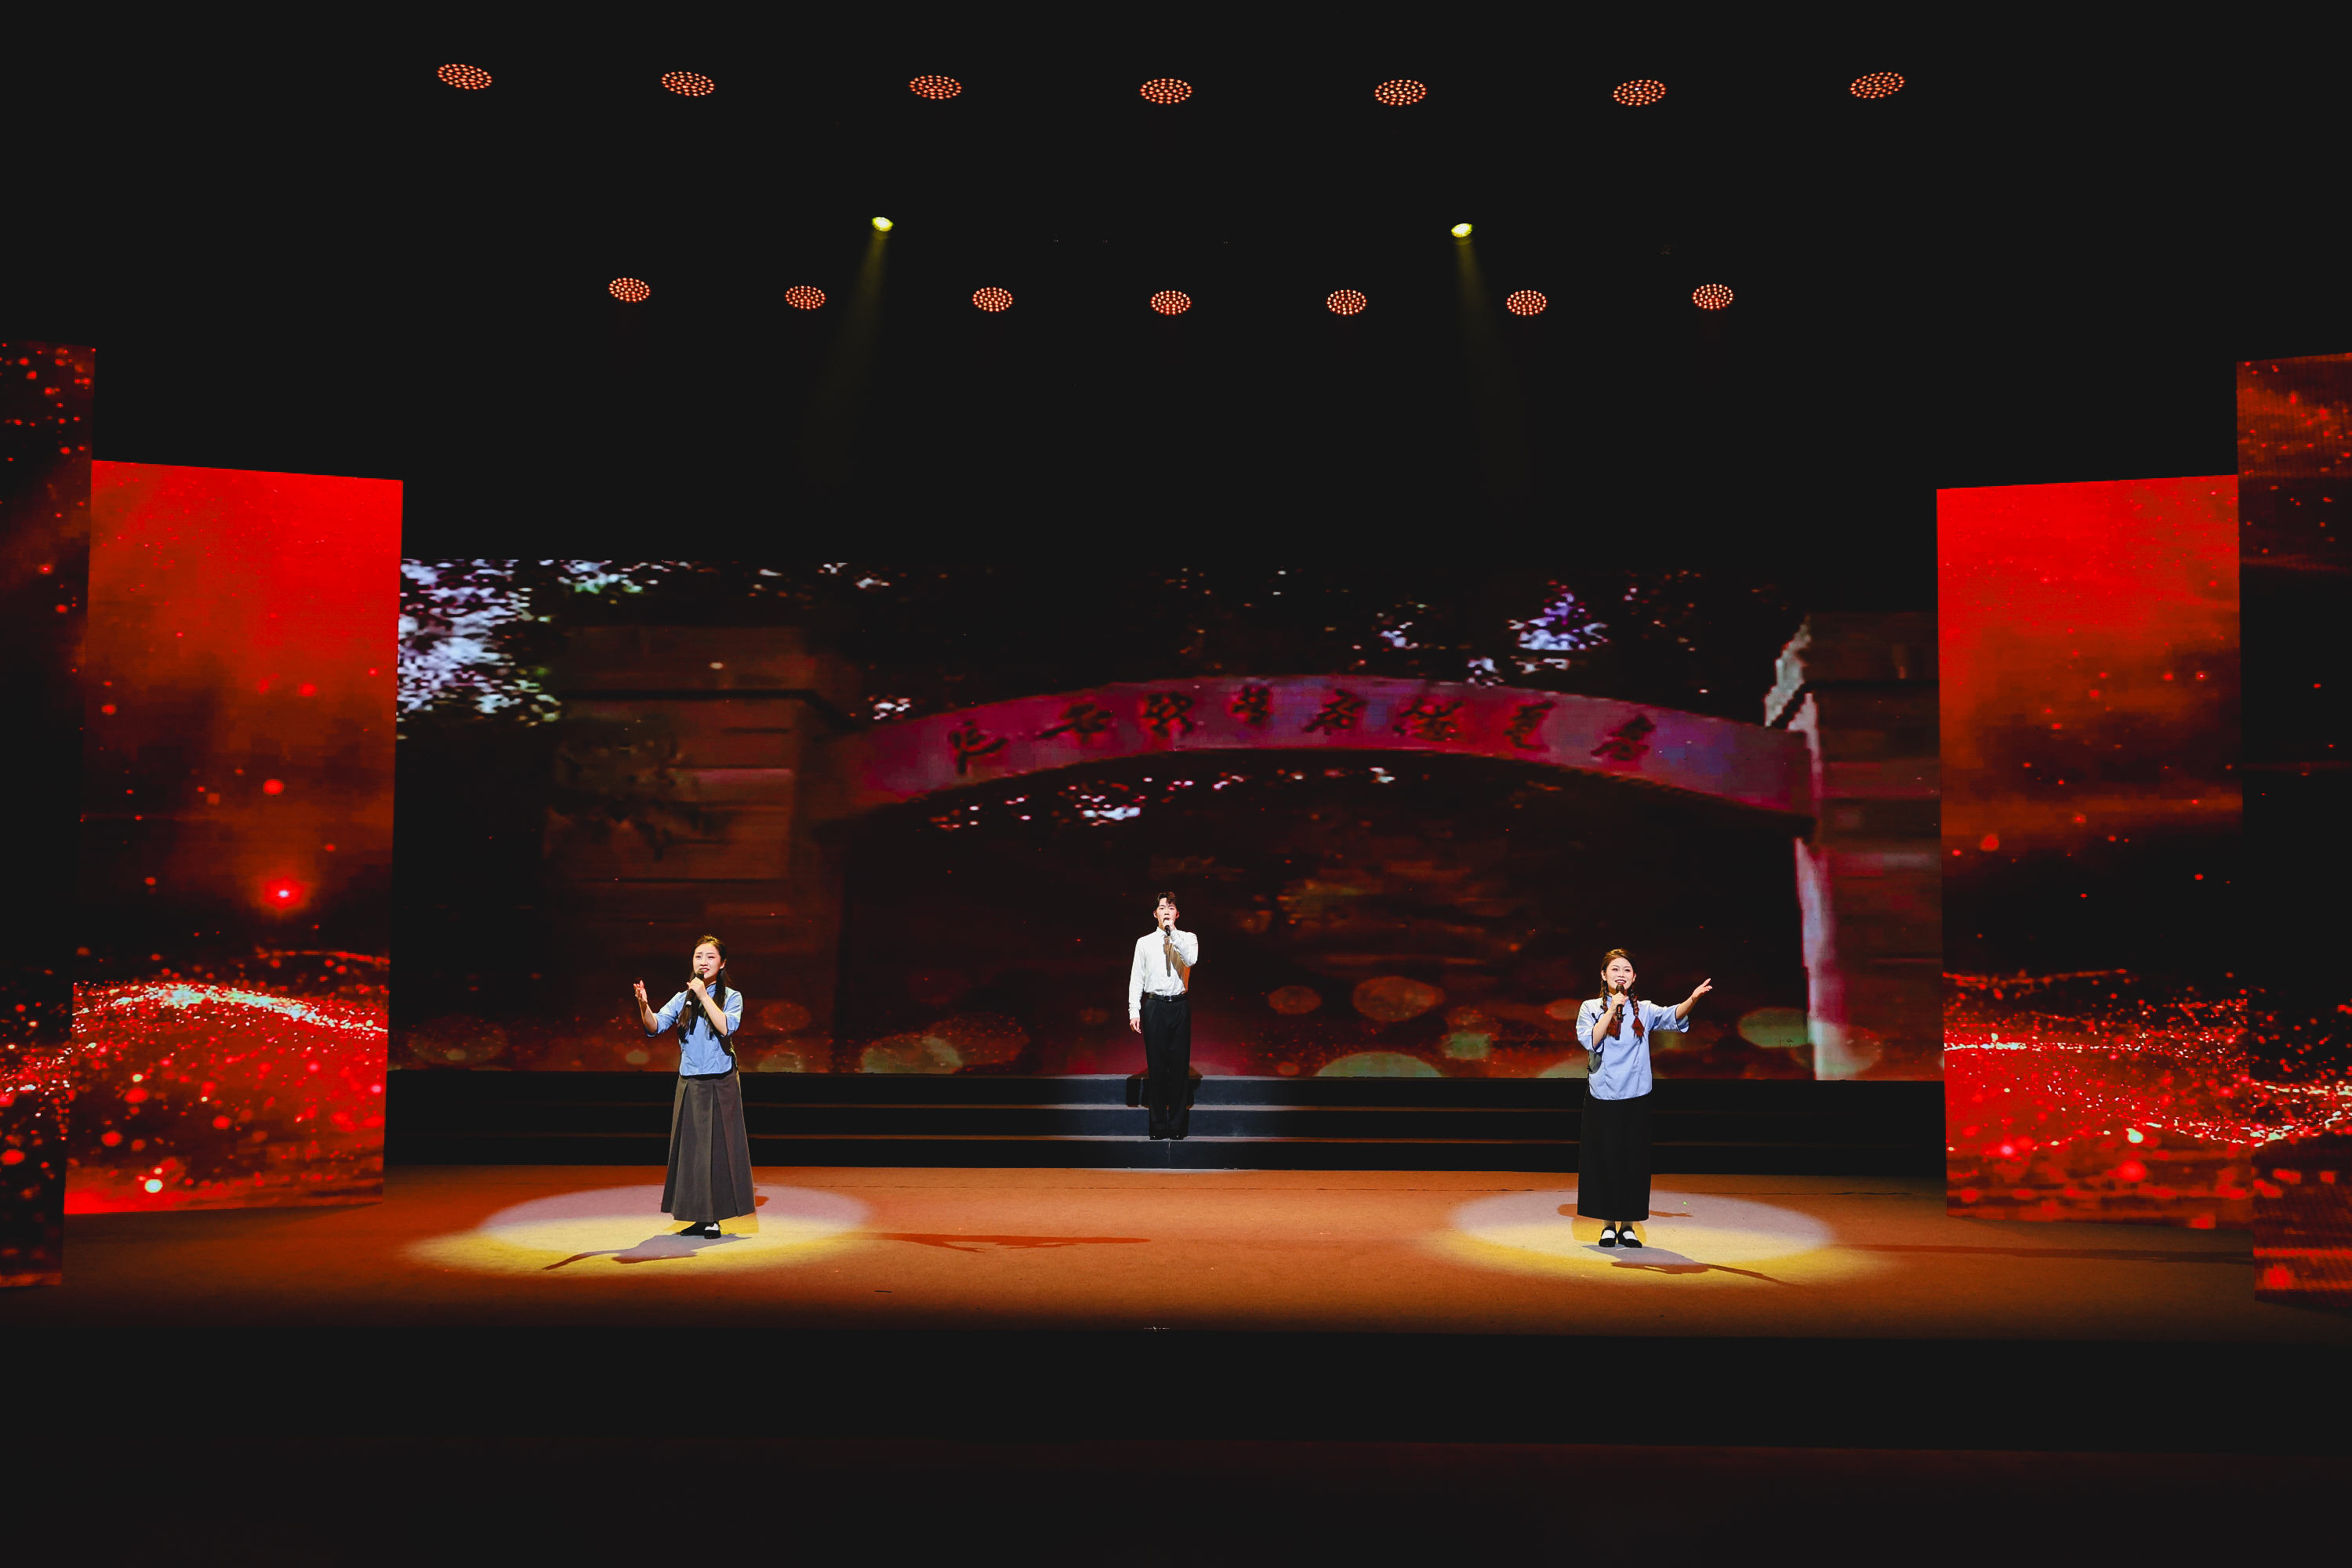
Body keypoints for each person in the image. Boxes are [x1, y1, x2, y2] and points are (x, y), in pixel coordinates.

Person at [1575, 948, 1711, 1249]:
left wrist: (1693, 999)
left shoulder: (1645, 1010)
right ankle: (1608, 1225)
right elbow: (1591, 1040)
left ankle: (1628, 1226)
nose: (1620, 975)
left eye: (1626, 970)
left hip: (1636, 1095)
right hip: (1603, 1095)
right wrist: (1612, 1008)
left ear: (1634, 977)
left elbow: (1673, 1016)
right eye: (1615, 969)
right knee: (1606, 1160)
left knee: (1633, 1162)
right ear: (1603, 975)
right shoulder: (1590, 1007)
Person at [634, 934, 753, 1239]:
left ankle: (714, 1217)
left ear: (722, 964)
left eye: (711, 957)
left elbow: (726, 1026)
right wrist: (644, 1005)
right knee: (691, 1150)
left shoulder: (732, 997)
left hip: (720, 1082)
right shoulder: (682, 998)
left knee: (718, 1149)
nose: (703, 962)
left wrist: (703, 995)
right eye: (699, 956)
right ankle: (697, 1215)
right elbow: (655, 1026)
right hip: (689, 1081)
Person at [1127, 891, 1200, 1140]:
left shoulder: (1188, 938)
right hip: (1155, 1006)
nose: (1166, 911)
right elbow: (1137, 977)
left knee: (1179, 1067)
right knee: (1157, 1067)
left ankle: (1177, 1125)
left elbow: (1191, 959)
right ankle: (1158, 1125)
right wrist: (1134, 1010)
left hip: (1179, 1006)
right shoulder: (1144, 942)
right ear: (1155, 913)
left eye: (1170, 907)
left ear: (1177, 914)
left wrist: (1173, 933)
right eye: (1161, 907)